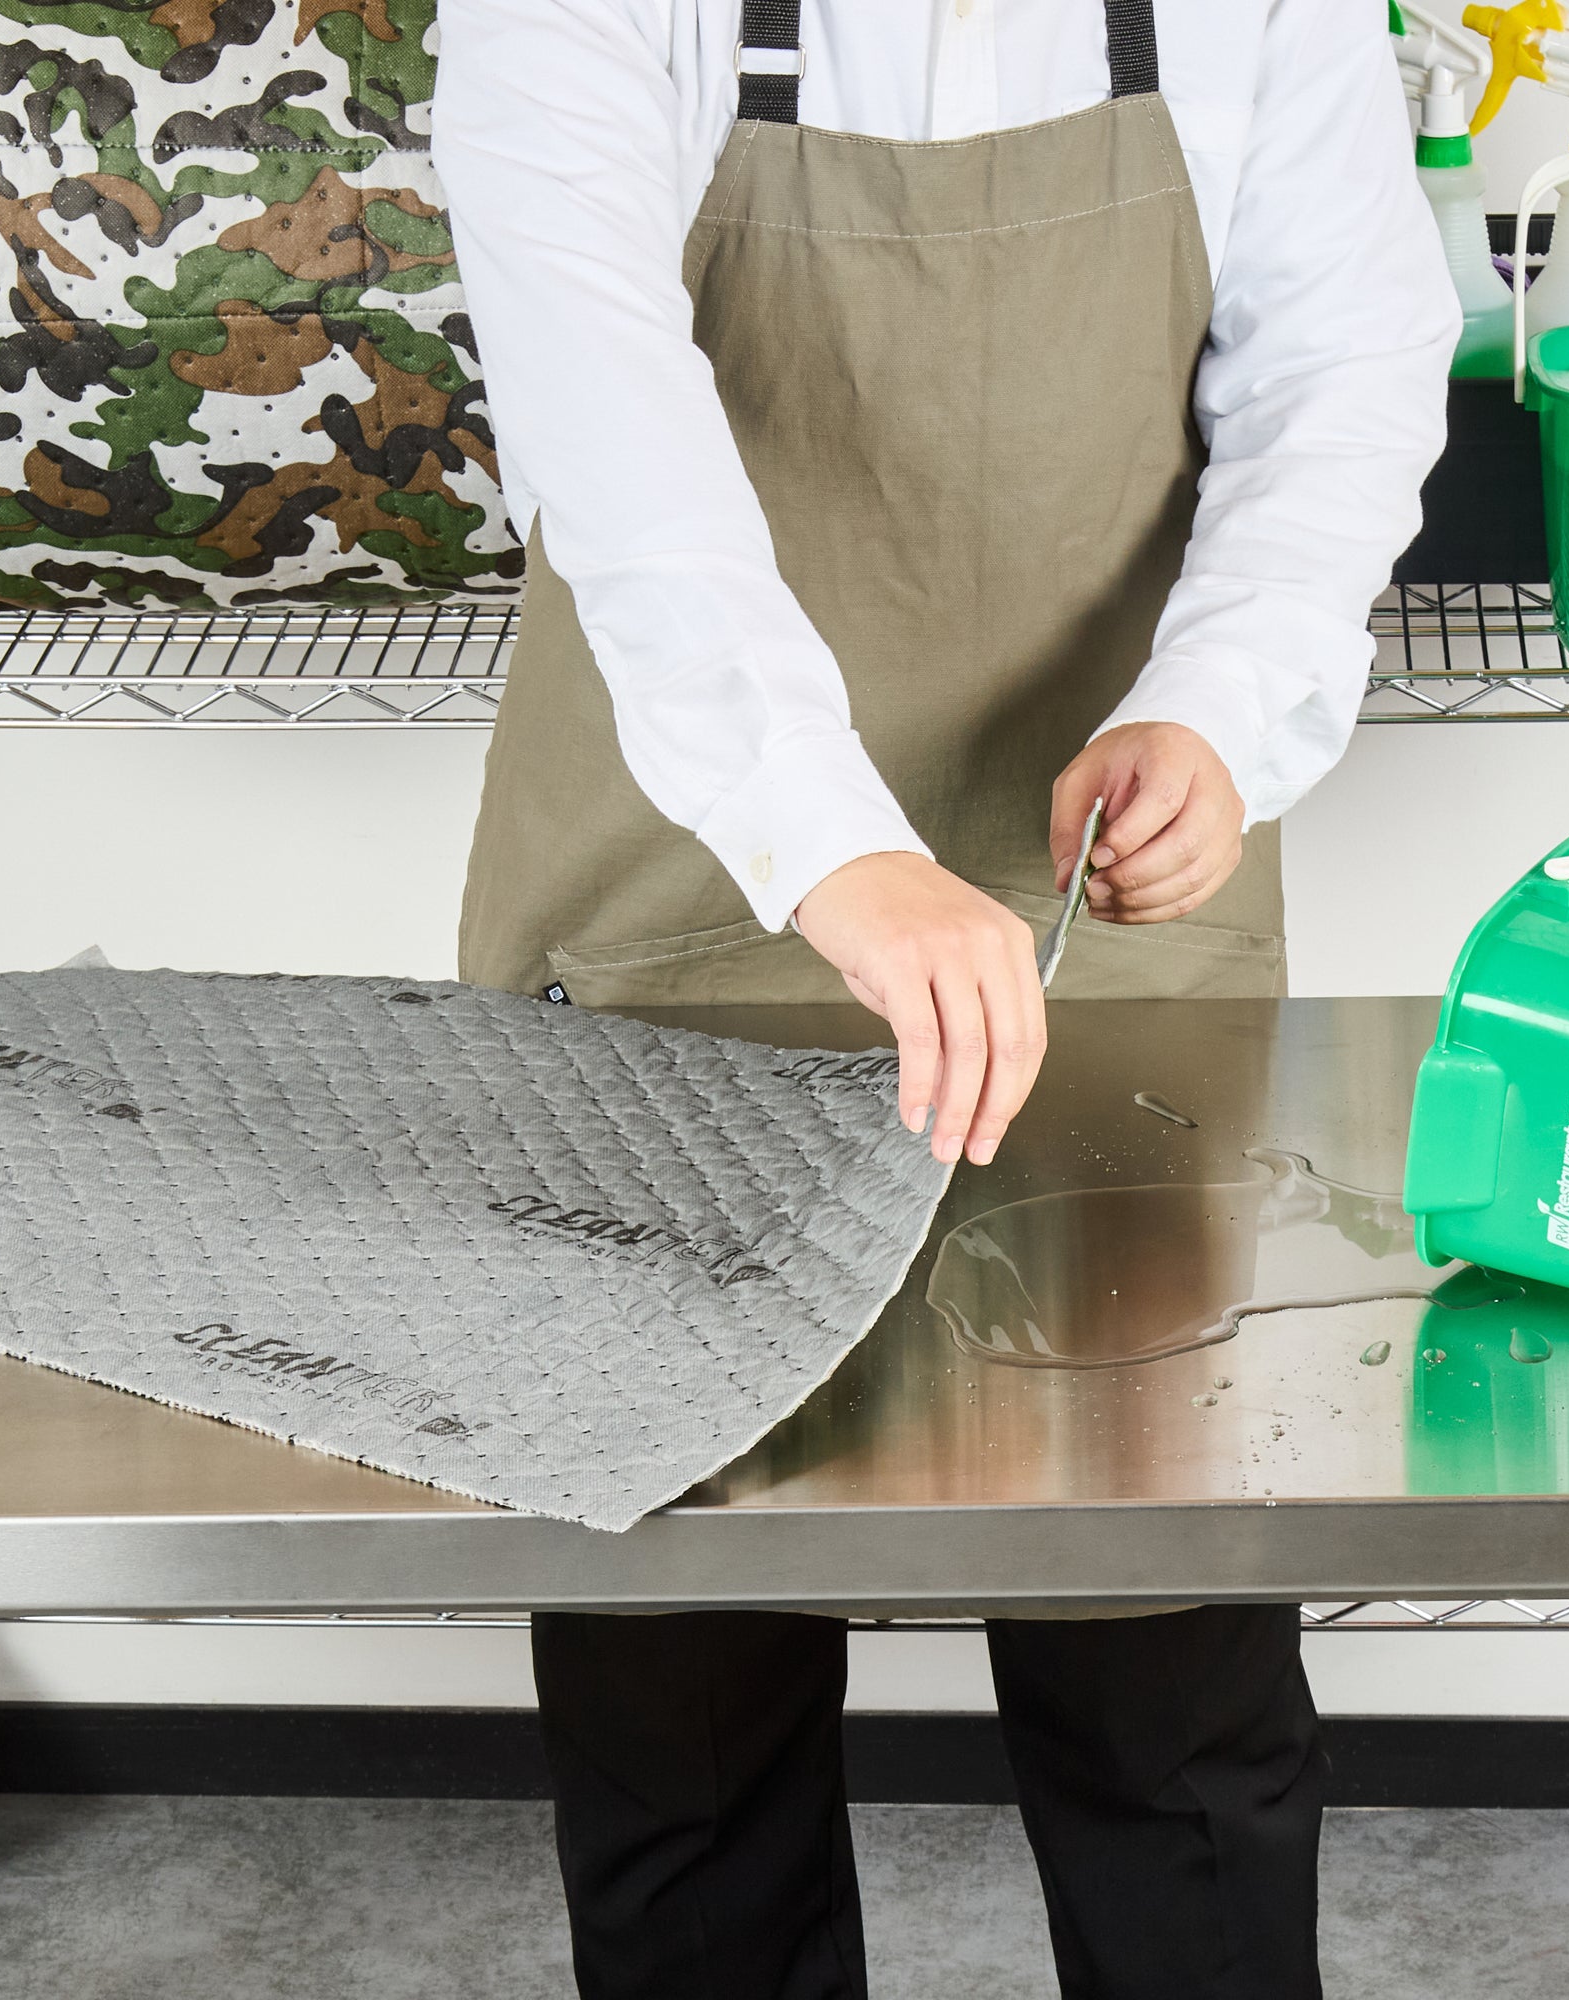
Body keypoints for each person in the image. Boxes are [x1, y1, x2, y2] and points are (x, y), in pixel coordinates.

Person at [433, 1, 1456, 1993]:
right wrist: (834, 844)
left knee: (1173, 1712)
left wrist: (1219, 705)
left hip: (1104, 896)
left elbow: (1346, 363)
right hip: (673, 894)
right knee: (683, 1721)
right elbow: (609, 426)